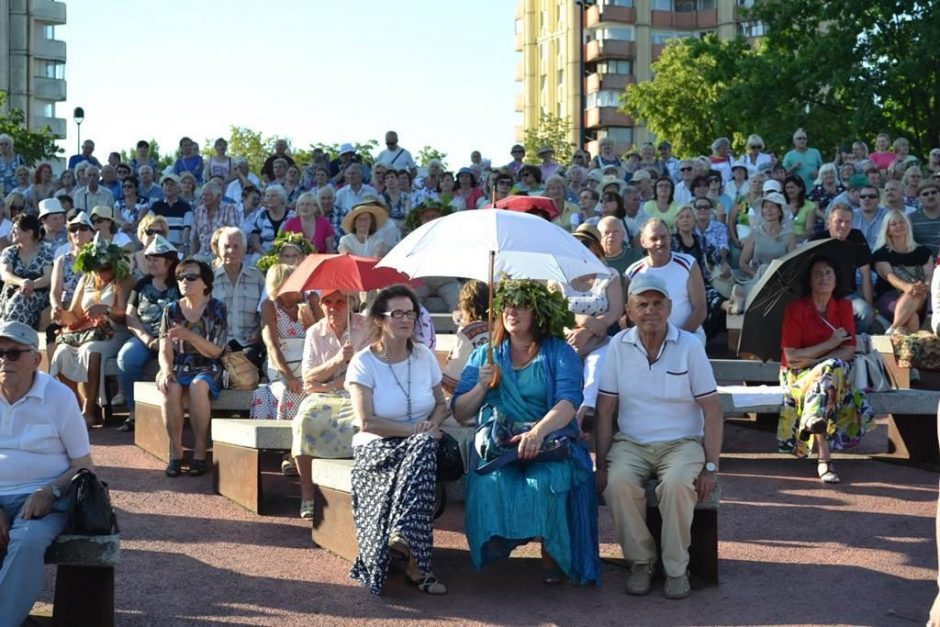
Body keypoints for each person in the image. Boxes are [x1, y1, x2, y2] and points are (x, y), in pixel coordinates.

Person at [452, 278, 599, 586]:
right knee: (488, 480)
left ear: (539, 312)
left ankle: (555, 555)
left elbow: (570, 400)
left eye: (521, 306)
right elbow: (460, 411)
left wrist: (538, 432)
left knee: (546, 481)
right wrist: (481, 385)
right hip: (501, 448)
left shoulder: (560, 352)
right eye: (506, 305)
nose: (511, 311)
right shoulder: (485, 355)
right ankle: (495, 551)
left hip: (551, 442)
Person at [595, 273, 722, 599]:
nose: (650, 310)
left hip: (682, 444)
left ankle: (677, 569)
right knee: (618, 484)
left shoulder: (691, 346)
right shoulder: (617, 347)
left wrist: (710, 466)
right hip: (632, 443)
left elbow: (712, 410)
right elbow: (606, 410)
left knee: (677, 486)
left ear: (668, 307)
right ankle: (641, 562)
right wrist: (601, 465)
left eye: (657, 303)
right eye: (642, 304)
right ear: (629, 310)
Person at [346, 285, 450, 595]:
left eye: (411, 313)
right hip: (376, 446)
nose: (406, 319)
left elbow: (441, 405)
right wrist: (417, 432)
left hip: (419, 444)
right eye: (398, 313)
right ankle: (417, 564)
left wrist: (431, 425)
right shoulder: (363, 363)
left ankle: (405, 540)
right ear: (380, 319)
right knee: (422, 450)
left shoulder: (423, 357)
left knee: (422, 452)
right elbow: (367, 422)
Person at [0, 320, 94, 626]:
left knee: (26, 542)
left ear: (36, 359)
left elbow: (83, 464)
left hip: (46, 501)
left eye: (13, 353)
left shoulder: (59, 397)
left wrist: (50, 492)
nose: (3, 360)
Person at [778, 257, 875, 483]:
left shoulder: (844, 307)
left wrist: (815, 361)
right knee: (829, 374)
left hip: (828, 374)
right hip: (796, 376)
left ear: (836, 279)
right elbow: (791, 358)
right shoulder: (796, 309)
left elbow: (848, 351)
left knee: (830, 371)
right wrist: (830, 344)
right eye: (817, 273)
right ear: (809, 280)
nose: (823, 277)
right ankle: (824, 458)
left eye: (828, 273)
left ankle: (818, 434)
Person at [290, 289, 370, 518]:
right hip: (323, 395)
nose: (333, 307)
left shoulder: (366, 327)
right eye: (327, 302)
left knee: (363, 420)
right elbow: (308, 377)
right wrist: (337, 360)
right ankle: (307, 495)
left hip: (357, 391)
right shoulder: (315, 332)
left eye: (339, 302)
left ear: (351, 302)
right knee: (304, 420)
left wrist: (334, 381)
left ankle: (359, 494)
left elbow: (372, 368)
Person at [157, 258, 227, 478]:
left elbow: (216, 351)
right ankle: (176, 452)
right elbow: (164, 348)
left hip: (208, 365)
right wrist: (166, 368)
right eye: (180, 277)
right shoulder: (171, 310)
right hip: (179, 364)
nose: (184, 281)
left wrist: (189, 335)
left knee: (198, 386)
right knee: (171, 387)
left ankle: (199, 452)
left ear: (205, 282)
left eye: (191, 277)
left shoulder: (217, 308)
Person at [49, 240, 131, 427]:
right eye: (96, 268)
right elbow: (74, 315)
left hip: (115, 333)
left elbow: (124, 315)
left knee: (90, 350)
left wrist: (107, 310)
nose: (101, 273)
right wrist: (60, 313)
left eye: (105, 268)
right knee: (61, 352)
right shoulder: (86, 278)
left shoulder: (124, 279)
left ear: (115, 264)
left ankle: (90, 409)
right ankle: (74, 408)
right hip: (88, 332)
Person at [556, 224, 624, 422]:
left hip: (600, 338)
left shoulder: (609, 274)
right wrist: (581, 322)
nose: (581, 248)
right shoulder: (560, 277)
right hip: (566, 335)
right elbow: (556, 313)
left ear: (596, 247)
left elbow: (614, 311)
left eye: (586, 243)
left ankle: (581, 415)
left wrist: (587, 332)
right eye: (576, 243)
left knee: (596, 365)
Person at [116, 235, 180, 432]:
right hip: (146, 337)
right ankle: (134, 413)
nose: (150, 263)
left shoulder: (180, 284)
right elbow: (130, 316)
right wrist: (147, 339)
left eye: (155, 259)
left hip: (175, 338)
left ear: (168, 261)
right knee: (126, 358)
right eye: (148, 258)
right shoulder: (142, 285)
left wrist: (168, 340)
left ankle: (173, 414)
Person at [626, 220, 708, 344]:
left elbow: (701, 309)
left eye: (663, 237)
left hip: (688, 335)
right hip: (647, 339)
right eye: (654, 238)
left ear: (670, 238)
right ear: (643, 242)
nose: (660, 242)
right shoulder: (632, 273)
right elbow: (631, 313)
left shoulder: (688, 264)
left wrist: (676, 338)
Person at [250, 264, 313, 424]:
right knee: (290, 391)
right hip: (282, 370)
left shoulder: (309, 303)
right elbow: (272, 345)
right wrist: (288, 376)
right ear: (280, 285)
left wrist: (312, 322)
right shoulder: (269, 306)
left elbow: (323, 337)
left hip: (309, 368)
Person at [725, 192, 796, 314]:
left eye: (773, 207)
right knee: (762, 269)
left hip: (778, 281)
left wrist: (771, 277)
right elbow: (743, 263)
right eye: (766, 206)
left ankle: (743, 302)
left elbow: (792, 265)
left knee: (765, 269)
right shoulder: (755, 233)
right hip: (755, 278)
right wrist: (759, 275)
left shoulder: (789, 235)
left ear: (780, 211)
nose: (768, 210)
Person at [809, 204, 875, 332]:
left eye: (847, 222)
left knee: (866, 313)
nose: (844, 226)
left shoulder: (856, 237)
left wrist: (870, 305)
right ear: (829, 223)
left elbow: (865, 275)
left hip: (847, 294)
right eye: (839, 221)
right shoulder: (816, 241)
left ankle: (854, 342)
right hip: (821, 295)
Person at [872, 210, 934, 334]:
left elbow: (929, 275)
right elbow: (888, 275)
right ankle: (910, 349)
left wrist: (925, 286)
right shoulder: (881, 254)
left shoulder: (923, 252)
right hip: (889, 297)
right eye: (893, 224)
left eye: (902, 222)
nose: (899, 226)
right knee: (913, 317)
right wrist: (908, 287)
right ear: (888, 230)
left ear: (908, 226)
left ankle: (892, 329)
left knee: (916, 295)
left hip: (920, 296)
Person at [212, 227, 265, 371]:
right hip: (218, 344)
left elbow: (265, 312)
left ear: (244, 250)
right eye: (226, 246)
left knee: (247, 361)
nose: (231, 251)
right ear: (218, 249)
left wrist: (258, 333)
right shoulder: (209, 279)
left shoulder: (258, 278)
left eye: (236, 246)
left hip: (249, 344)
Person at [0, 214, 54, 329]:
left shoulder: (45, 252)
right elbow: (5, 274)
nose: (12, 232)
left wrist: (32, 284)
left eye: (16, 229)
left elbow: (47, 278)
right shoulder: (9, 252)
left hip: (36, 297)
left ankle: (9, 332)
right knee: (19, 297)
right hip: (11, 294)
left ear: (29, 232)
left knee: (21, 297)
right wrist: (22, 282)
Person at [441, 280, 490, 393]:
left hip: (472, 397)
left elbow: (452, 380)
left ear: (465, 305)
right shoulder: (501, 329)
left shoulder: (468, 333)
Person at [190, 181, 241, 260]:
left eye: (207, 195)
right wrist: (192, 257)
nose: (204, 197)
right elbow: (194, 237)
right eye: (203, 195)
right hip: (202, 254)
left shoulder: (230, 209)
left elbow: (234, 235)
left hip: (222, 254)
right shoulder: (198, 211)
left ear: (218, 196)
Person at [150, 174, 193, 256]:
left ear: (178, 188)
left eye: (172, 184)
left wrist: (183, 245)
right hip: (159, 245)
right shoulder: (156, 206)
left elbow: (186, 229)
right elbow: (148, 224)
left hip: (178, 245)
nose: (168, 187)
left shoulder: (185, 207)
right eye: (166, 184)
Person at [910, 179, 940, 257]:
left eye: (934, 192)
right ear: (919, 198)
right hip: (923, 265)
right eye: (925, 194)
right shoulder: (911, 219)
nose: (930, 196)